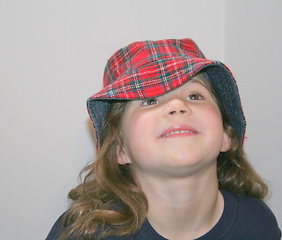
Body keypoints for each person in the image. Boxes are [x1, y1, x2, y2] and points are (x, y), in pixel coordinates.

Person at [46, 38, 281, 240]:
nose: (177, 105)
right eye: (150, 100)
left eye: (195, 95)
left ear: (226, 136)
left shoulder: (258, 224)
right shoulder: (84, 233)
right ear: (120, 149)